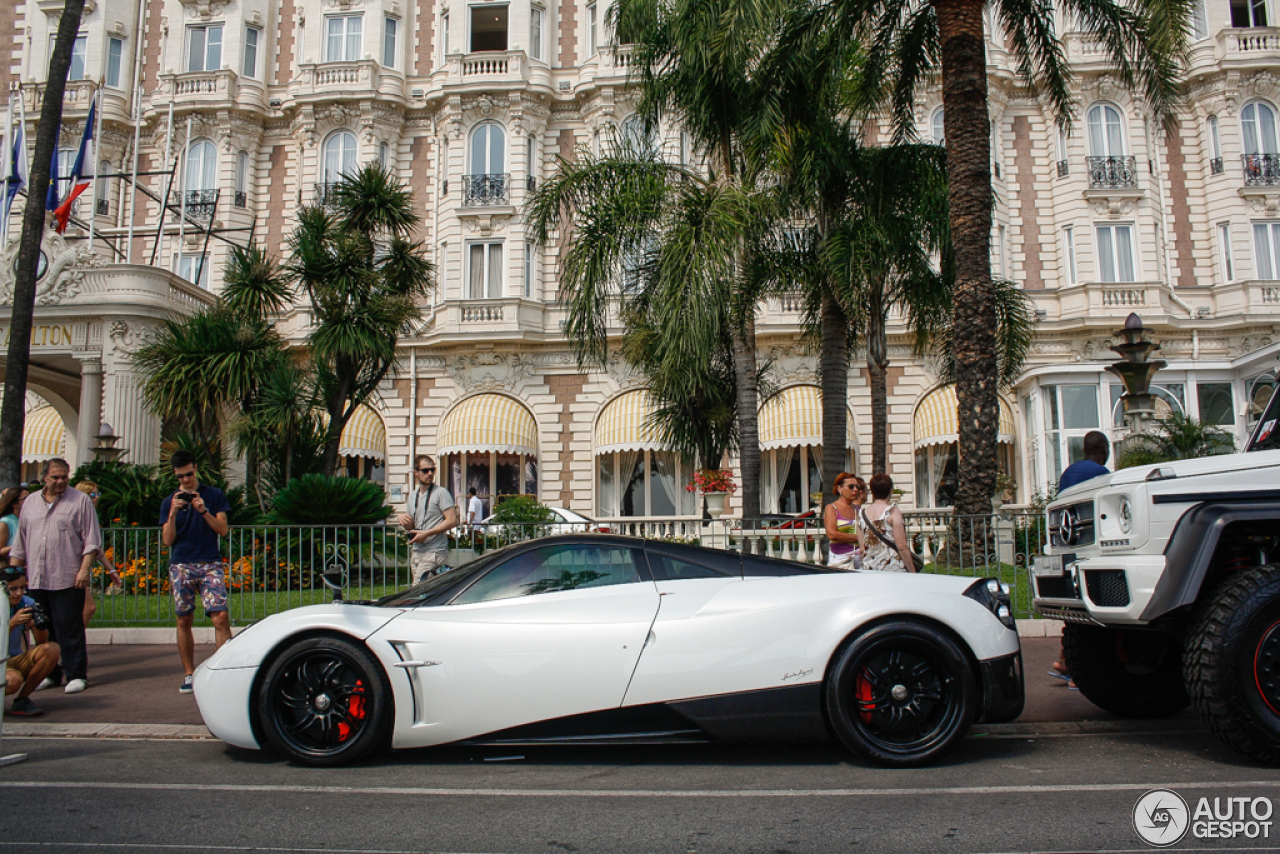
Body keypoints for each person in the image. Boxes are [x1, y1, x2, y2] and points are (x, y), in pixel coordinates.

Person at [7, 458, 102, 694]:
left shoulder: (80, 501)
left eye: (64, 477)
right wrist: (12, 576)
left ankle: (76, 674)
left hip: (67, 577)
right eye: (55, 477)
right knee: (42, 628)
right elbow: (20, 542)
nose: (60, 481)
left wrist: (84, 570)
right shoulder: (30, 502)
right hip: (37, 579)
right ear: (45, 478)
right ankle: (51, 673)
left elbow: (92, 540)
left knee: (69, 628)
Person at [160, 450, 231, 695]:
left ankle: (224, 670)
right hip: (181, 563)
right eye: (181, 477)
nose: (186, 480)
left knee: (220, 616)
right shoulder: (170, 501)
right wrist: (172, 512)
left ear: (196, 468)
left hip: (210, 562)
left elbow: (223, 530)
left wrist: (203, 511)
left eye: (189, 474)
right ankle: (189, 673)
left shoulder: (213, 495)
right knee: (184, 618)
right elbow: (167, 541)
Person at [1049, 430, 1112, 684]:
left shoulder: (1069, 473)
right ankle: (1078, 672)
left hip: (1066, 548)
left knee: (1073, 611)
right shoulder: (1101, 475)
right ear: (1104, 451)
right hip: (1089, 551)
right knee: (1093, 611)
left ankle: (1064, 661)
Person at [5, 569, 61, 716]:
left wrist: (36, 627)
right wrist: (12, 623)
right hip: (1, 661)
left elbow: (42, 642)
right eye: (13, 589)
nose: (19, 593)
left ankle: (22, 700)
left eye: (23, 588)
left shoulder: (27, 603)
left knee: (52, 649)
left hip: (14, 658)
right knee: (13, 681)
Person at [395, 454, 457, 583]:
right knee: (427, 595)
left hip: (434, 552)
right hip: (417, 552)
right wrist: (403, 519)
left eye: (432, 470)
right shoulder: (412, 496)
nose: (430, 473)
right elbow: (412, 527)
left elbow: (452, 520)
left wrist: (427, 533)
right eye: (425, 470)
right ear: (416, 473)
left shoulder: (441, 493)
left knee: (417, 590)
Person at [74, 481, 122, 626]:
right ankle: (73, 639)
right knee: (88, 607)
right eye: (93, 494)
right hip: (74, 568)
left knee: (83, 608)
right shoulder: (78, 514)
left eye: (98, 494)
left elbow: (96, 549)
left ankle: (73, 639)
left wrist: (111, 569)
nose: (97, 498)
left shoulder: (91, 514)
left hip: (83, 568)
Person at [858, 473, 914, 573]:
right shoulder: (892, 512)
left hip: (870, 568)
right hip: (892, 567)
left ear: (872, 492)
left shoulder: (861, 515)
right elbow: (901, 546)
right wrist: (912, 571)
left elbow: (862, 549)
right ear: (890, 491)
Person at [823, 473, 863, 570]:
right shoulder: (831, 508)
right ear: (839, 489)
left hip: (859, 558)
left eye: (857, 486)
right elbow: (832, 534)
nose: (855, 489)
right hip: (840, 559)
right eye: (851, 486)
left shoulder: (857, 509)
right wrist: (857, 538)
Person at [0, 485, 29, 561]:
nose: (30, 501)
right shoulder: (6, 522)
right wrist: (18, 545)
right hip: (12, 569)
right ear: (14, 504)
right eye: (25, 499)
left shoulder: (29, 519)